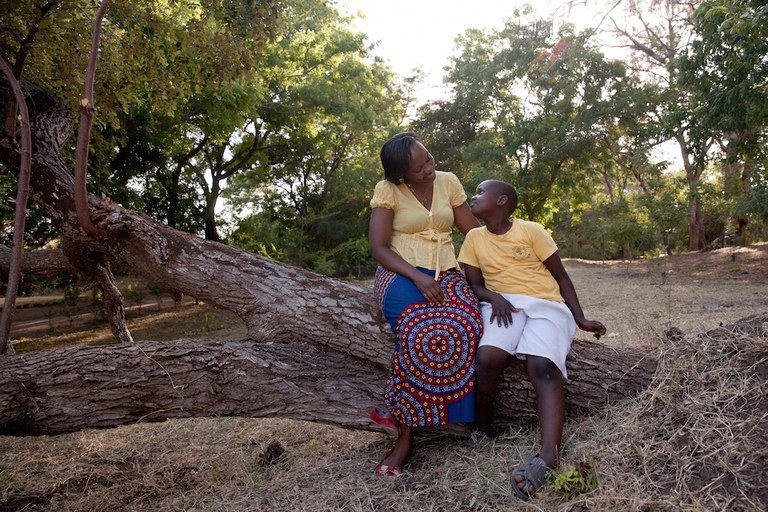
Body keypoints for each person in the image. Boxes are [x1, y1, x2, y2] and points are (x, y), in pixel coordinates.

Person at [456, 179, 606, 500]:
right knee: (487, 359)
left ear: (502, 201)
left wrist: (580, 318)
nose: (474, 196)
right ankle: (482, 429)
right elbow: (473, 284)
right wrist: (493, 297)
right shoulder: (473, 238)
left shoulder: (532, 230)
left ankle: (548, 458)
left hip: (544, 304)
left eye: (482, 192)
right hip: (502, 304)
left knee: (543, 368)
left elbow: (560, 276)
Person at [368, 132, 483, 477]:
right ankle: (404, 434)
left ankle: (457, 417)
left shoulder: (449, 182)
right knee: (419, 330)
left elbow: (473, 233)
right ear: (401, 175)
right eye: (419, 169)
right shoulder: (387, 191)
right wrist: (417, 278)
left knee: (468, 324)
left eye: (429, 160)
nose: (430, 170)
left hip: (446, 271)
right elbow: (379, 247)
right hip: (400, 272)